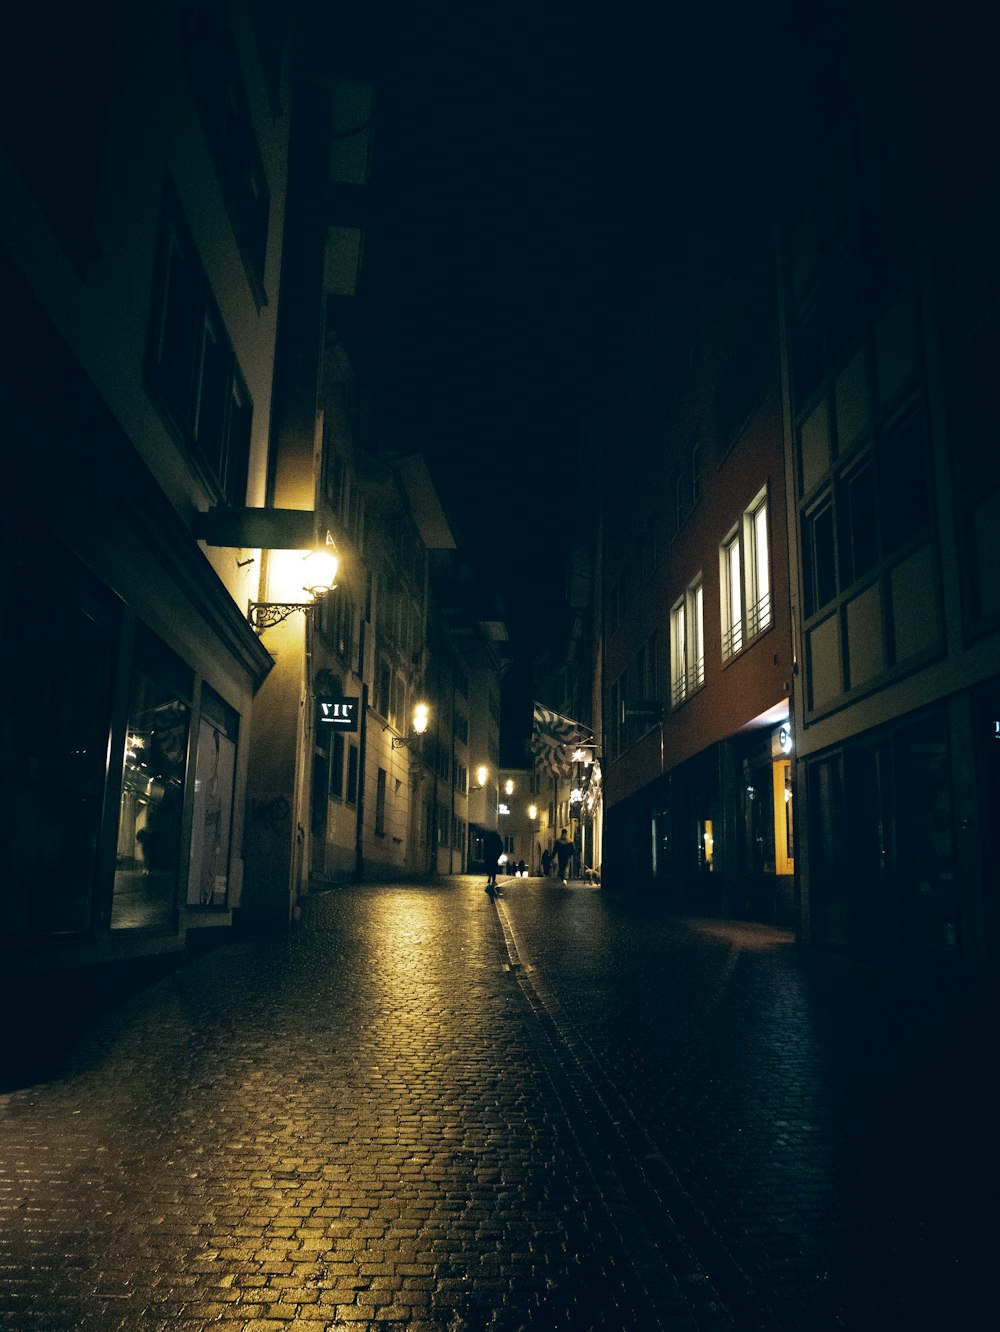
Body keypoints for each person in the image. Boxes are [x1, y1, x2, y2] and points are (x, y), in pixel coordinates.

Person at [483, 828, 504, 898]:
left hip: (489, 856)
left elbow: (485, 847)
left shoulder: (488, 838)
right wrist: (498, 855)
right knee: (494, 868)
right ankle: (493, 879)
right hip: (494, 856)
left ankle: (489, 877)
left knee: (489, 867)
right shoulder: (497, 839)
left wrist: (485, 855)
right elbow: (501, 847)